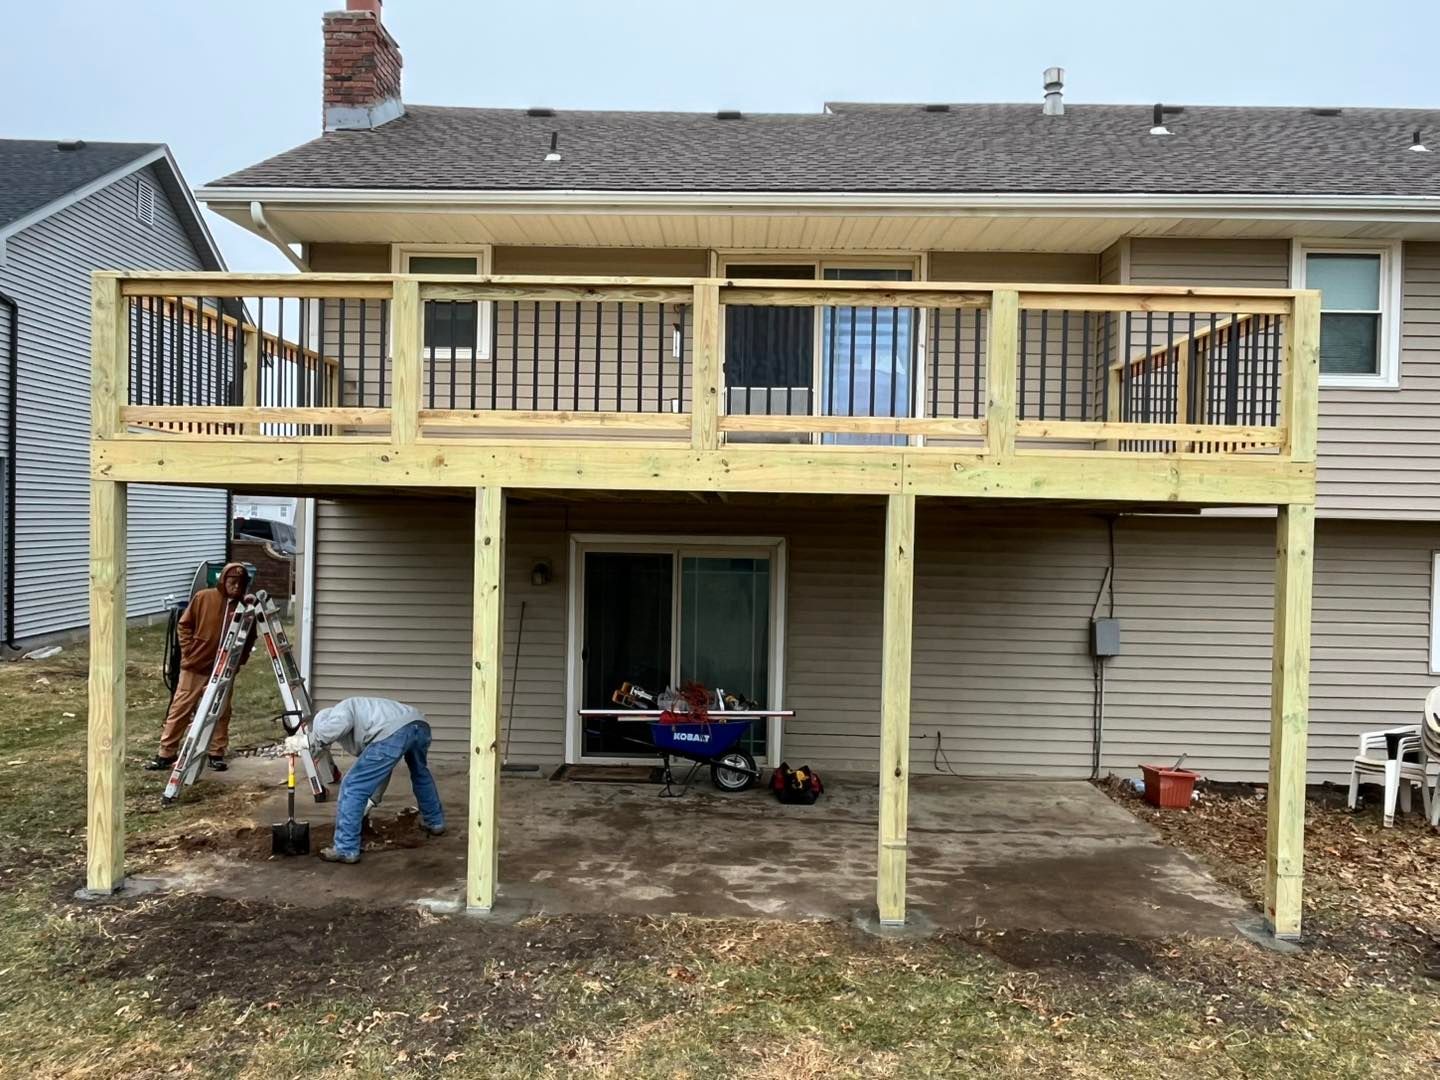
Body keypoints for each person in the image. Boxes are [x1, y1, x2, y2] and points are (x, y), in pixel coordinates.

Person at [284, 697, 445, 864]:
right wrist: (371, 800)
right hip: (418, 724)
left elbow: (336, 726)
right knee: (420, 774)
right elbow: (381, 770)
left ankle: (346, 848)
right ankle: (435, 822)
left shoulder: (340, 711)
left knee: (352, 786)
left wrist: (305, 740)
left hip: (395, 731)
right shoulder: (366, 719)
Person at [145, 562, 254, 773]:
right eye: (232, 582)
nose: (235, 586)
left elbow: (250, 637)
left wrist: (239, 661)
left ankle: (216, 753)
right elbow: (184, 625)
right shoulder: (204, 598)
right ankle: (166, 753)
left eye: (240, 583)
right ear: (222, 581)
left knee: (220, 711)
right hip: (195, 667)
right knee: (181, 708)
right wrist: (189, 650)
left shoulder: (245, 608)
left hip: (224, 670)